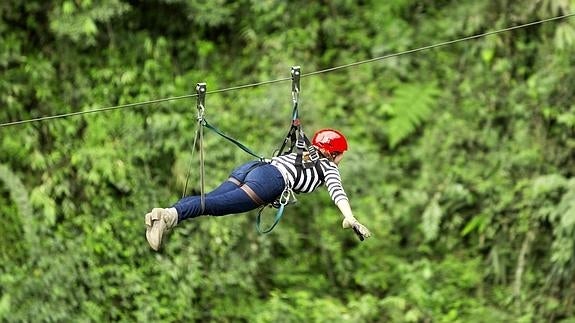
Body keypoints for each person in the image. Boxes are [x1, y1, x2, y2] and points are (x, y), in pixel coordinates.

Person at [145, 128, 371, 250]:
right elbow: (337, 192)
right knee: (212, 206)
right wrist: (350, 218)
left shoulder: (304, 151)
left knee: (210, 199)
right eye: (341, 155)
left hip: (253, 167)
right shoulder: (328, 166)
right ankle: (167, 216)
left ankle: (164, 214)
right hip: (268, 181)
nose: (341, 159)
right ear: (332, 154)